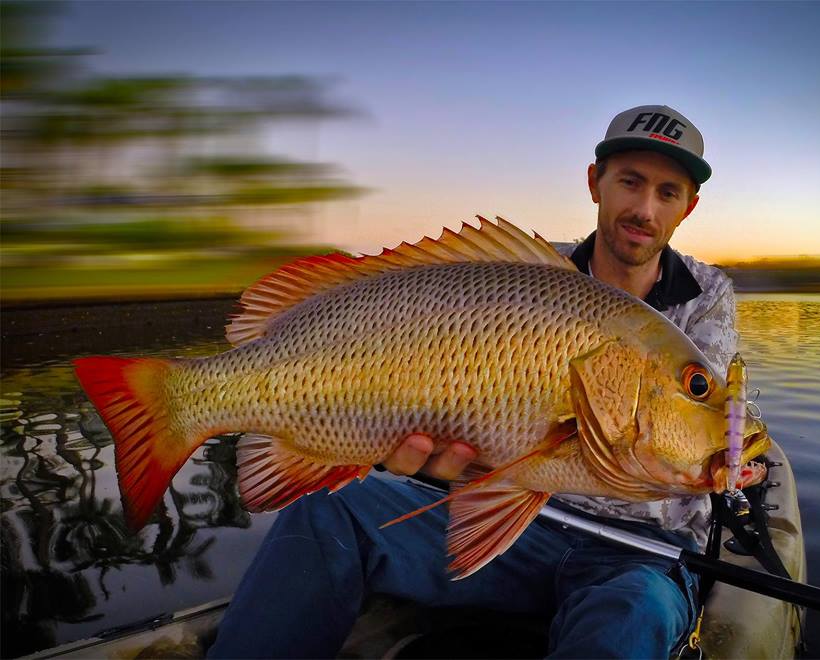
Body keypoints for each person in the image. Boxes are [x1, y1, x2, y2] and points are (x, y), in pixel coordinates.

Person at [208, 104, 738, 659]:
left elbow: (704, 428)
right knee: (326, 511)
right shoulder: (526, 275)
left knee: (636, 615)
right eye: (630, 181)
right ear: (594, 182)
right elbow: (433, 390)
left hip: (636, 555)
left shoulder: (709, 295)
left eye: (668, 191)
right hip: (518, 529)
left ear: (688, 206)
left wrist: (716, 454)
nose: (645, 208)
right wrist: (395, 442)